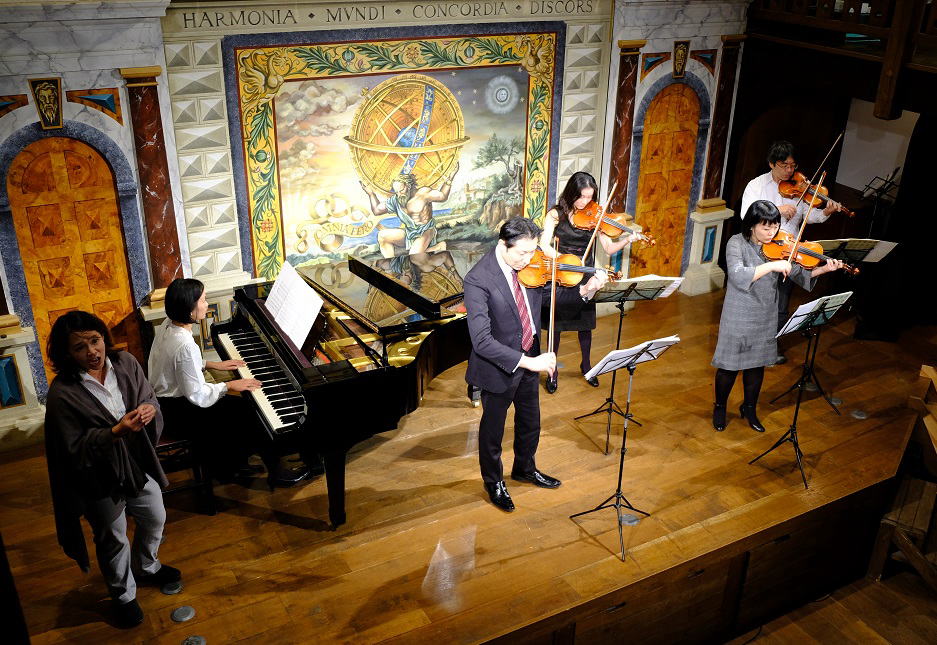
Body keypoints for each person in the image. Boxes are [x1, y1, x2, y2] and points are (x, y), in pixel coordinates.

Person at [44, 311, 180, 628]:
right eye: (79, 347)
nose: (92, 352)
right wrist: (114, 432)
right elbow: (71, 448)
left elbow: (148, 396)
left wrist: (149, 409)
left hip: (135, 462)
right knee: (113, 537)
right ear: (67, 353)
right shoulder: (63, 393)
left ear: (104, 337)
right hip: (97, 476)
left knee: (155, 516)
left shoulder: (126, 363)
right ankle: (123, 595)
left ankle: (146, 566)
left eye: (95, 341)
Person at [464, 216, 607, 512]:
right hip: (500, 366)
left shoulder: (530, 267)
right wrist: (528, 362)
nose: (529, 259)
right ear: (503, 244)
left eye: (533, 251)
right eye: (523, 253)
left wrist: (587, 289)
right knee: (493, 430)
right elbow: (482, 342)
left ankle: (525, 469)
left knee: (531, 422)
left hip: (531, 355)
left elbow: (551, 296)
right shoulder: (478, 279)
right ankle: (494, 482)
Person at [147, 278, 309, 489]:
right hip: (181, 414)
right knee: (251, 410)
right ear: (189, 310)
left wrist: (210, 364)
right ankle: (274, 471)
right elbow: (198, 395)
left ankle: (232, 465)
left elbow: (175, 364)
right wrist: (229, 386)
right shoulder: (185, 344)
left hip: (165, 404)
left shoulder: (167, 325)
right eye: (203, 300)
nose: (206, 304)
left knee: (243, 407)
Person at [712, 200, 844, 433]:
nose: (772, 233)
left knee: (757, 366)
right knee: (729, 367)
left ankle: (749, 408)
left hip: (766, 313)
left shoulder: (780, 245)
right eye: (766, 228)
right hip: (738, 313)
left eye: (775, 227)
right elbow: (738, 275)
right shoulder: (736, 242)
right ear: (752, 225)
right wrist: (773, 266)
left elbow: (800, 274)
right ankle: (720, 407)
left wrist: (825, 269)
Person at [740, 140, 844, 362]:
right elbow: (746, 215)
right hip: (761, 250)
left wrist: (826, 212)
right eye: (784, 165)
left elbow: (810, 216)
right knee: (756, 300)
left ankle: (771, 346)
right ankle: (747, 343)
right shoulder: (756, 185)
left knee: (781, 302)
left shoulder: (800, 188)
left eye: (792, 166)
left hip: (789, 251)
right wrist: (777, 209)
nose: (789, 170)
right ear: (771, 164)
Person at [539, 171, 639, 393]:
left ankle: (586, 366)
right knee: (556, 327)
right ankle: (552, 371)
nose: (585, 202)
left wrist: (627, 240)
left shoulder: (595, 216)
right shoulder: (555, 215)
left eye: (589, 197)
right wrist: (564, 260)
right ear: (572, 192)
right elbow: (544, 245)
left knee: (585, 326)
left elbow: (608, 248)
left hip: (587, 275)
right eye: (581, 196)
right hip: (563, 273)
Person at [361, 163, 459, 258]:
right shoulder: (396, 200)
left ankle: (437, 247)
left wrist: (450, 178)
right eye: (396, 192)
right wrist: (371, 194)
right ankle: (392, 264)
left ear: (408, 186)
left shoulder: (423, 193)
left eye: (401, 190)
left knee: (413, 257)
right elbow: (377, 210)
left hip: (425, 232)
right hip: (410, 234)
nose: (399, 194)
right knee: (382, 235)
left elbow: (443, 196)